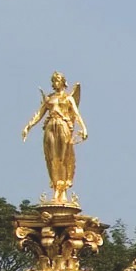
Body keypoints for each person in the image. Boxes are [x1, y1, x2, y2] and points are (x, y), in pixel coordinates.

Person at [21, 72, 87, 205]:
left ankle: (62, 190)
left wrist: (84, 128)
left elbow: (76, 114)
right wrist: (28, 126)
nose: (54, 83)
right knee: (52, 158)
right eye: (53, 81)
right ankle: (55, 187)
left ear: (62, 82)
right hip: (50, 126)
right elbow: (39, 114)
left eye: (57, 80)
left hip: (63, 126)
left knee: (63, 158)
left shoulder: (68, 98)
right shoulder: (49, 98)